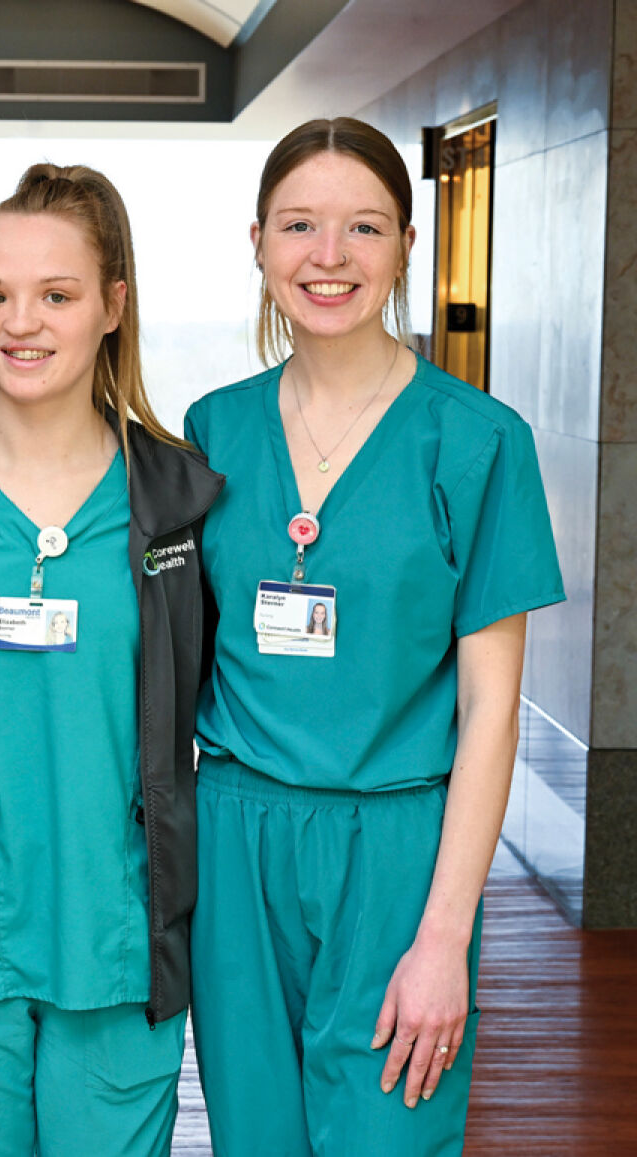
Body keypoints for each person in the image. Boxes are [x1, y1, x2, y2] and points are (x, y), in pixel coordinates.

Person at [185, 118, 564, 1156]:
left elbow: (491, 709)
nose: (329, 255)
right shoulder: (213, 431)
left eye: (363, 227)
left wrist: (445, 933)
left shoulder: (480, 443)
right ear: (258, 241)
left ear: (404, 244)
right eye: (300, 225)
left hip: (399, 849)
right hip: (237, 840)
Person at [0, 163, 223, 1156]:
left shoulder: (183, 508)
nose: (21, 321)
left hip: (118, 944)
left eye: (55, 294)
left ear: (113, 304)